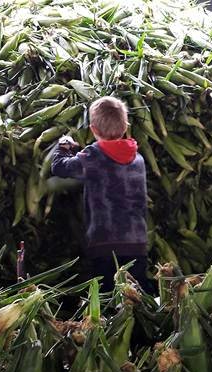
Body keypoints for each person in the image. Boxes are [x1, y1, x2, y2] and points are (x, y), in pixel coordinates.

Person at [51, 96, 150, 292]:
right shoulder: (137, 158)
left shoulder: (94, 157)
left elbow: (60, 168)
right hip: (137, 242)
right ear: (125, 126)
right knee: (136, 296)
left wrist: (63, 147)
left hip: (105, 243)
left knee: (108, 296)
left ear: (93, 129)